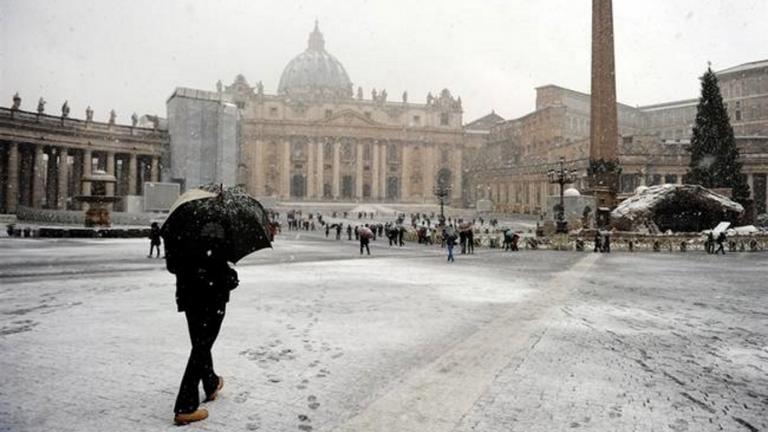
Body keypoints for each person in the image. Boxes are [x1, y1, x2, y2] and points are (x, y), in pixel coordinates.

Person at [165, 222, 239, 425]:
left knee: (200, 343)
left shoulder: (176, 227)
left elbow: (172, 266)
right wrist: (230, 276)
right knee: (201, 347)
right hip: (212, 295)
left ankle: (211, 383)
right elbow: (219, 263)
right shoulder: (217, 225)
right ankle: (185, 406)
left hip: (189, 296)